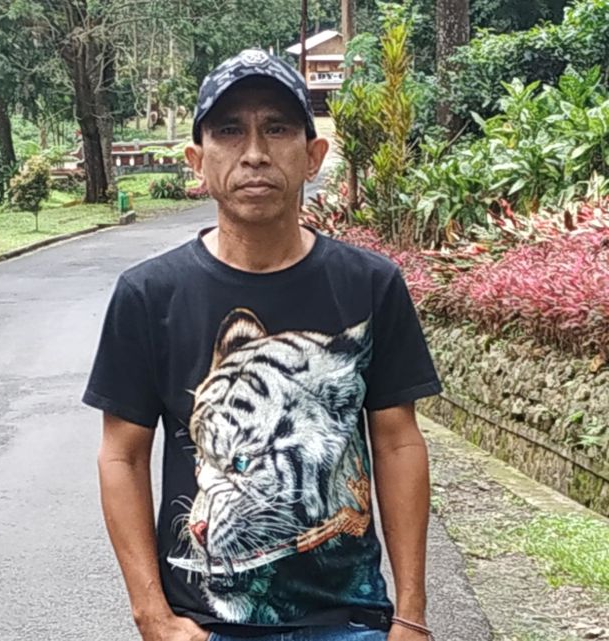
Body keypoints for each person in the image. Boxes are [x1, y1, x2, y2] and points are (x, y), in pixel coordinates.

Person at [83, 48, 442, 641]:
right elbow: (121, 456)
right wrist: (152, 615)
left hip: (348, 619)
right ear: (198, 162)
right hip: (202, 624)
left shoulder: (370, 284)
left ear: (313, 156)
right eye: (229, 131)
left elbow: (398, 443)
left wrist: (411, 614)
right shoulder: (148, 294)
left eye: (276, 128)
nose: (253, 153)